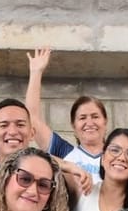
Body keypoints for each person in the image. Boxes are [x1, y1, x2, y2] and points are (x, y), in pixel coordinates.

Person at [26, 48, 107, 182]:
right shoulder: (64, 152)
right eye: (82, 118)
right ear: (73, 126)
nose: (89, 122)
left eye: (95, 116)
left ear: (105, 121)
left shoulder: (116, 156)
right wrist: (36, 72)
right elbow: (32, 119)